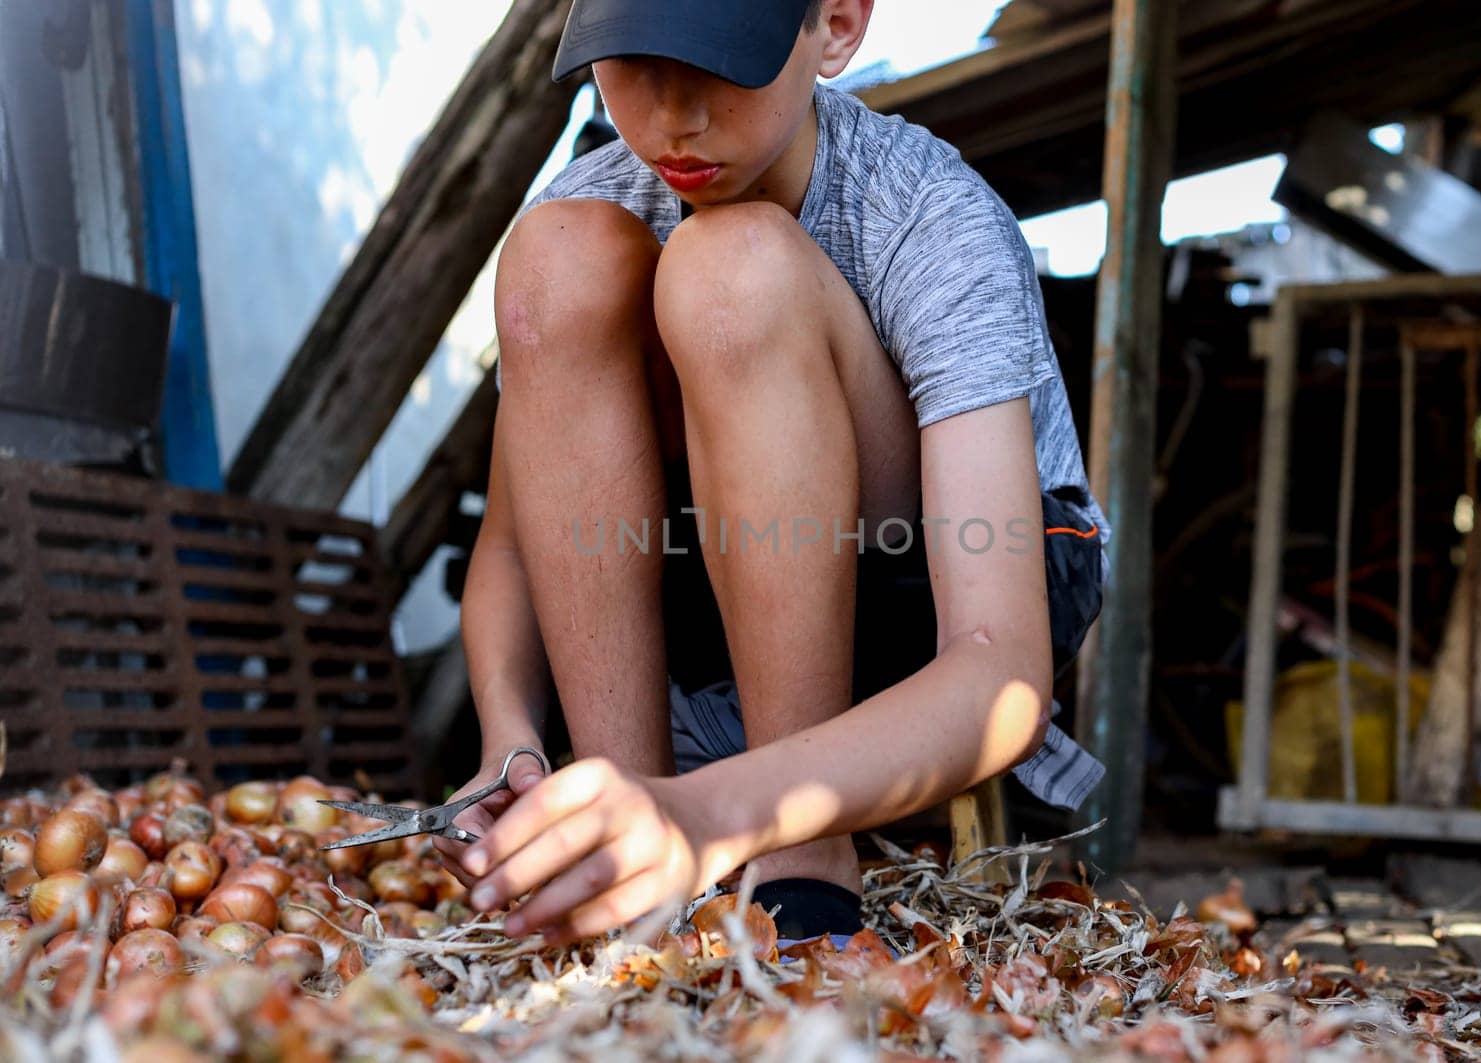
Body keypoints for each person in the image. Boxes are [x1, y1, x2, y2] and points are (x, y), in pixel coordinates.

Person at [432, 0, 1110, 946]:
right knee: (554, 256)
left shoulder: (930, 214)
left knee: (731, 268)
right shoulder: (587, 204)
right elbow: (512, 546)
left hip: (941, 582)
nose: (675, 117)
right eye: (630, 65)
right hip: (706, 570)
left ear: (834, 26)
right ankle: (619, 827)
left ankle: (802, 854)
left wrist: (718, 813)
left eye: (717, 63)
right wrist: (509, 739)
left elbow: (1001, 671)